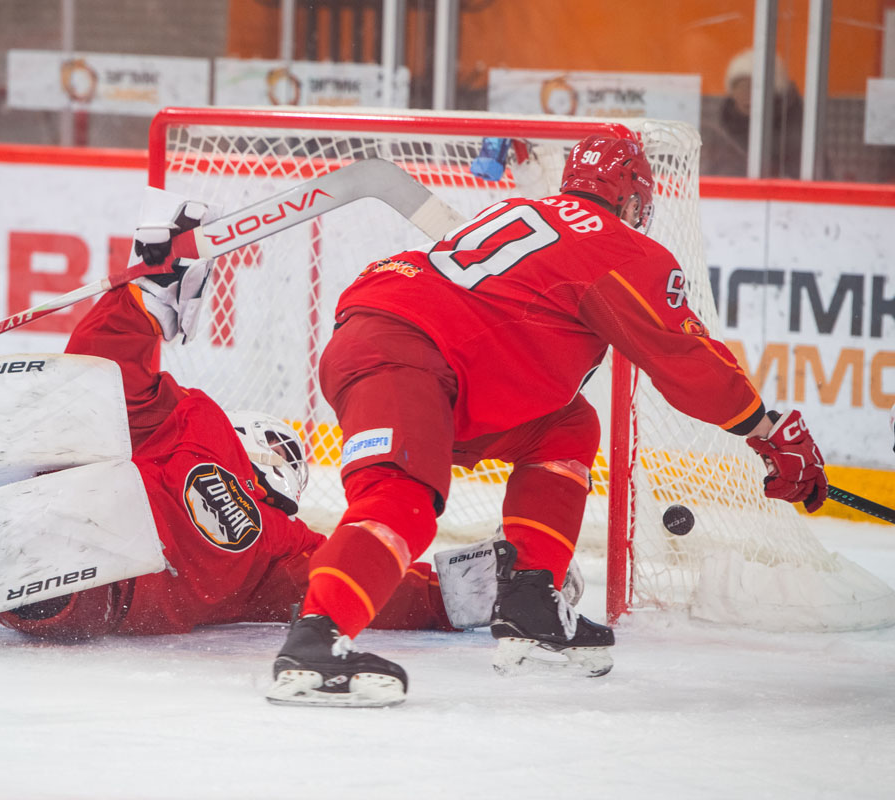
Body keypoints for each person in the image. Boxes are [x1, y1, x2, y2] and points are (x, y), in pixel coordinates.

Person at [0, 195, 467, 661]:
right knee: (28, 460)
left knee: (24, 480)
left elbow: (367, 579)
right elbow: (106, 381)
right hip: (64, 587)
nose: (277, 457)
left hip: (75, 583)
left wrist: (466, 592)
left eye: (286, 460)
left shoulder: (272, 530)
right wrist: (145, 298)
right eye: (276, 445)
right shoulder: (217, 459)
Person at [263, 133, 829, 707]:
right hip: (408, 356)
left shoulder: (522, 209)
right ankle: (314, 644)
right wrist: (768, 432)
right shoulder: (618, 246)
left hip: (403, 346)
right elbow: (688, 360)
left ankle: (531, 602)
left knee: (566, 426)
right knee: (401, 499)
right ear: (634, 199)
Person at [702, 48, 804, 179]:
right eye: (739, 87)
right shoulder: (718, 129)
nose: (746, 94)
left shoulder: (796, 134)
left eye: (753, 87)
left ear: (775, 92)